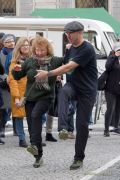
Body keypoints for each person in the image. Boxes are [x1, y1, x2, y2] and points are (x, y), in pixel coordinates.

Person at [35, 21, 98, 170]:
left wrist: (48, 74)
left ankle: (78, 158)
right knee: (63, 91)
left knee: (82, 125)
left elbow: (69, 66)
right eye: (66, 33)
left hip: (87, 91)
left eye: (70, 33)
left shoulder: (88, 49)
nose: (67, 36)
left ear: (79, 33)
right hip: (73, 86)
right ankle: (63, 128)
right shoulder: (70, 49)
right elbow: (64, 63)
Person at [12, 36, 64, 168]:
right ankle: (38, 156)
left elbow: (70, 63)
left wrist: (70, 50)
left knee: (36, 115)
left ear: (48, 49)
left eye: (42, 50)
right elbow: (18, 76)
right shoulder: (29, 61)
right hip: (30, 98)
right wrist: (15, 71)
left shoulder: (55, 61)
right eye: (37, 50)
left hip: (46, 97)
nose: (39, 53)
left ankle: (34, 145)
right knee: (31, 127)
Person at [8, 37, 30, 147]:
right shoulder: (14, 62)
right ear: (19, 47)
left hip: (31, 92)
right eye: (23, 45)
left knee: (34, 115)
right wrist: (16, 96)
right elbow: (12, 80)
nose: (26, 47)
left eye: (27, 45)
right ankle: (22, 139)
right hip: (19, 92)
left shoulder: (33, 60)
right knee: (20, 116)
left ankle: (35, 138)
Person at [104, 42, 120, 137]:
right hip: (110, 88)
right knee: (110, 108)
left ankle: (116, 127)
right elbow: (107, 67)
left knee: (118, 109)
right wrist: (115, 56)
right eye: (118, 50)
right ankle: (106, 129)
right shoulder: (111, 57)